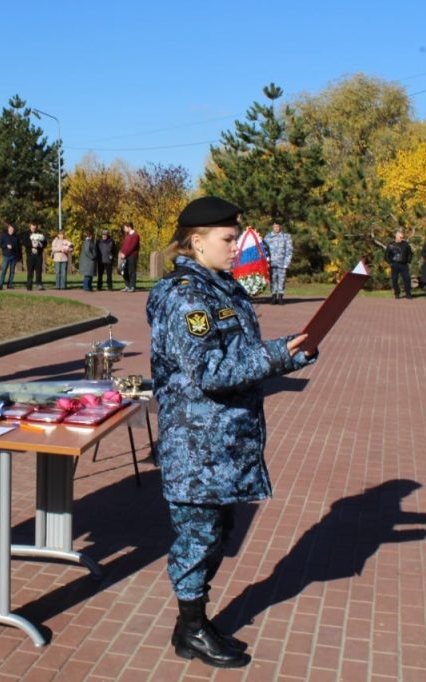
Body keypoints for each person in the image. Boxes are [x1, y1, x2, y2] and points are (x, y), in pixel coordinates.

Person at [147, 196, 315, 669]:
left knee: (218, 530)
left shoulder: (222, 288)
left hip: (222, 441)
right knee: (198, 538)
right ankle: (191, 627)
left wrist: (292, 351)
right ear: (196, 242)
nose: (236, 244)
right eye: (227, 238)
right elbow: (210, 371)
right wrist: (278, 356)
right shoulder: (184, 296)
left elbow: (241, 354)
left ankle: (193, 623)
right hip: (196, 443)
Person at [263, 222, 293, 304]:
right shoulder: (268, 237)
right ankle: (273, 296)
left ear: (280, 227)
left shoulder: (286, 237)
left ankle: (280, 297)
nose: (276, 228)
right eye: (275, 226)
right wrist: (266, 262)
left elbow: (289, 250)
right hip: (271, 263)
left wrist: (287, 262)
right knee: (272, 280)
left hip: (282, 263)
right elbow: (264, 249)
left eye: (278, 226)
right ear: (272, 227)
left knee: (281, 280)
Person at [385, 231, 413, 299]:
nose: (402, 239)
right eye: (401, 237)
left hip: (404, 265)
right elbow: (386, 255)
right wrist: (390, 262)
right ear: (396, 237)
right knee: (394, 279)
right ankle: (397, 293)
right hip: (394, 264)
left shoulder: (406, 244)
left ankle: (408, 294)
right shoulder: (391, 245)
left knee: (407, 279)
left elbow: (410, 253)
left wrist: (408, 261)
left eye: (403, 237)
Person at [23, 221, 46, 290]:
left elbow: (45, 243)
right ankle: (29, 286)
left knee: (39, 271)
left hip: (38, 255)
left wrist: (39, 245)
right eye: (32, 228)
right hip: (30, 255)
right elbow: (24, 242)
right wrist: (31, 246)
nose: (33, 229)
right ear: (30, 226)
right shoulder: (26, 234)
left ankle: (39, 284)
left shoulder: (40, 234)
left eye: (35, 228)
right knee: (30, 271)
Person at [118, 222, 140, 291]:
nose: (124, 229)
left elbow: (132, 247)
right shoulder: (127, 236)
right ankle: (127, 285)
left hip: (132, 256)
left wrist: (125, 253)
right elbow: (124, 245)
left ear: (129, 227)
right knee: (124, 271)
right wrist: (121, 252)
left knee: (131, 271)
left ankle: (132, 286)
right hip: (125, 256)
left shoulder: (135, 235)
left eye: (125, 228)